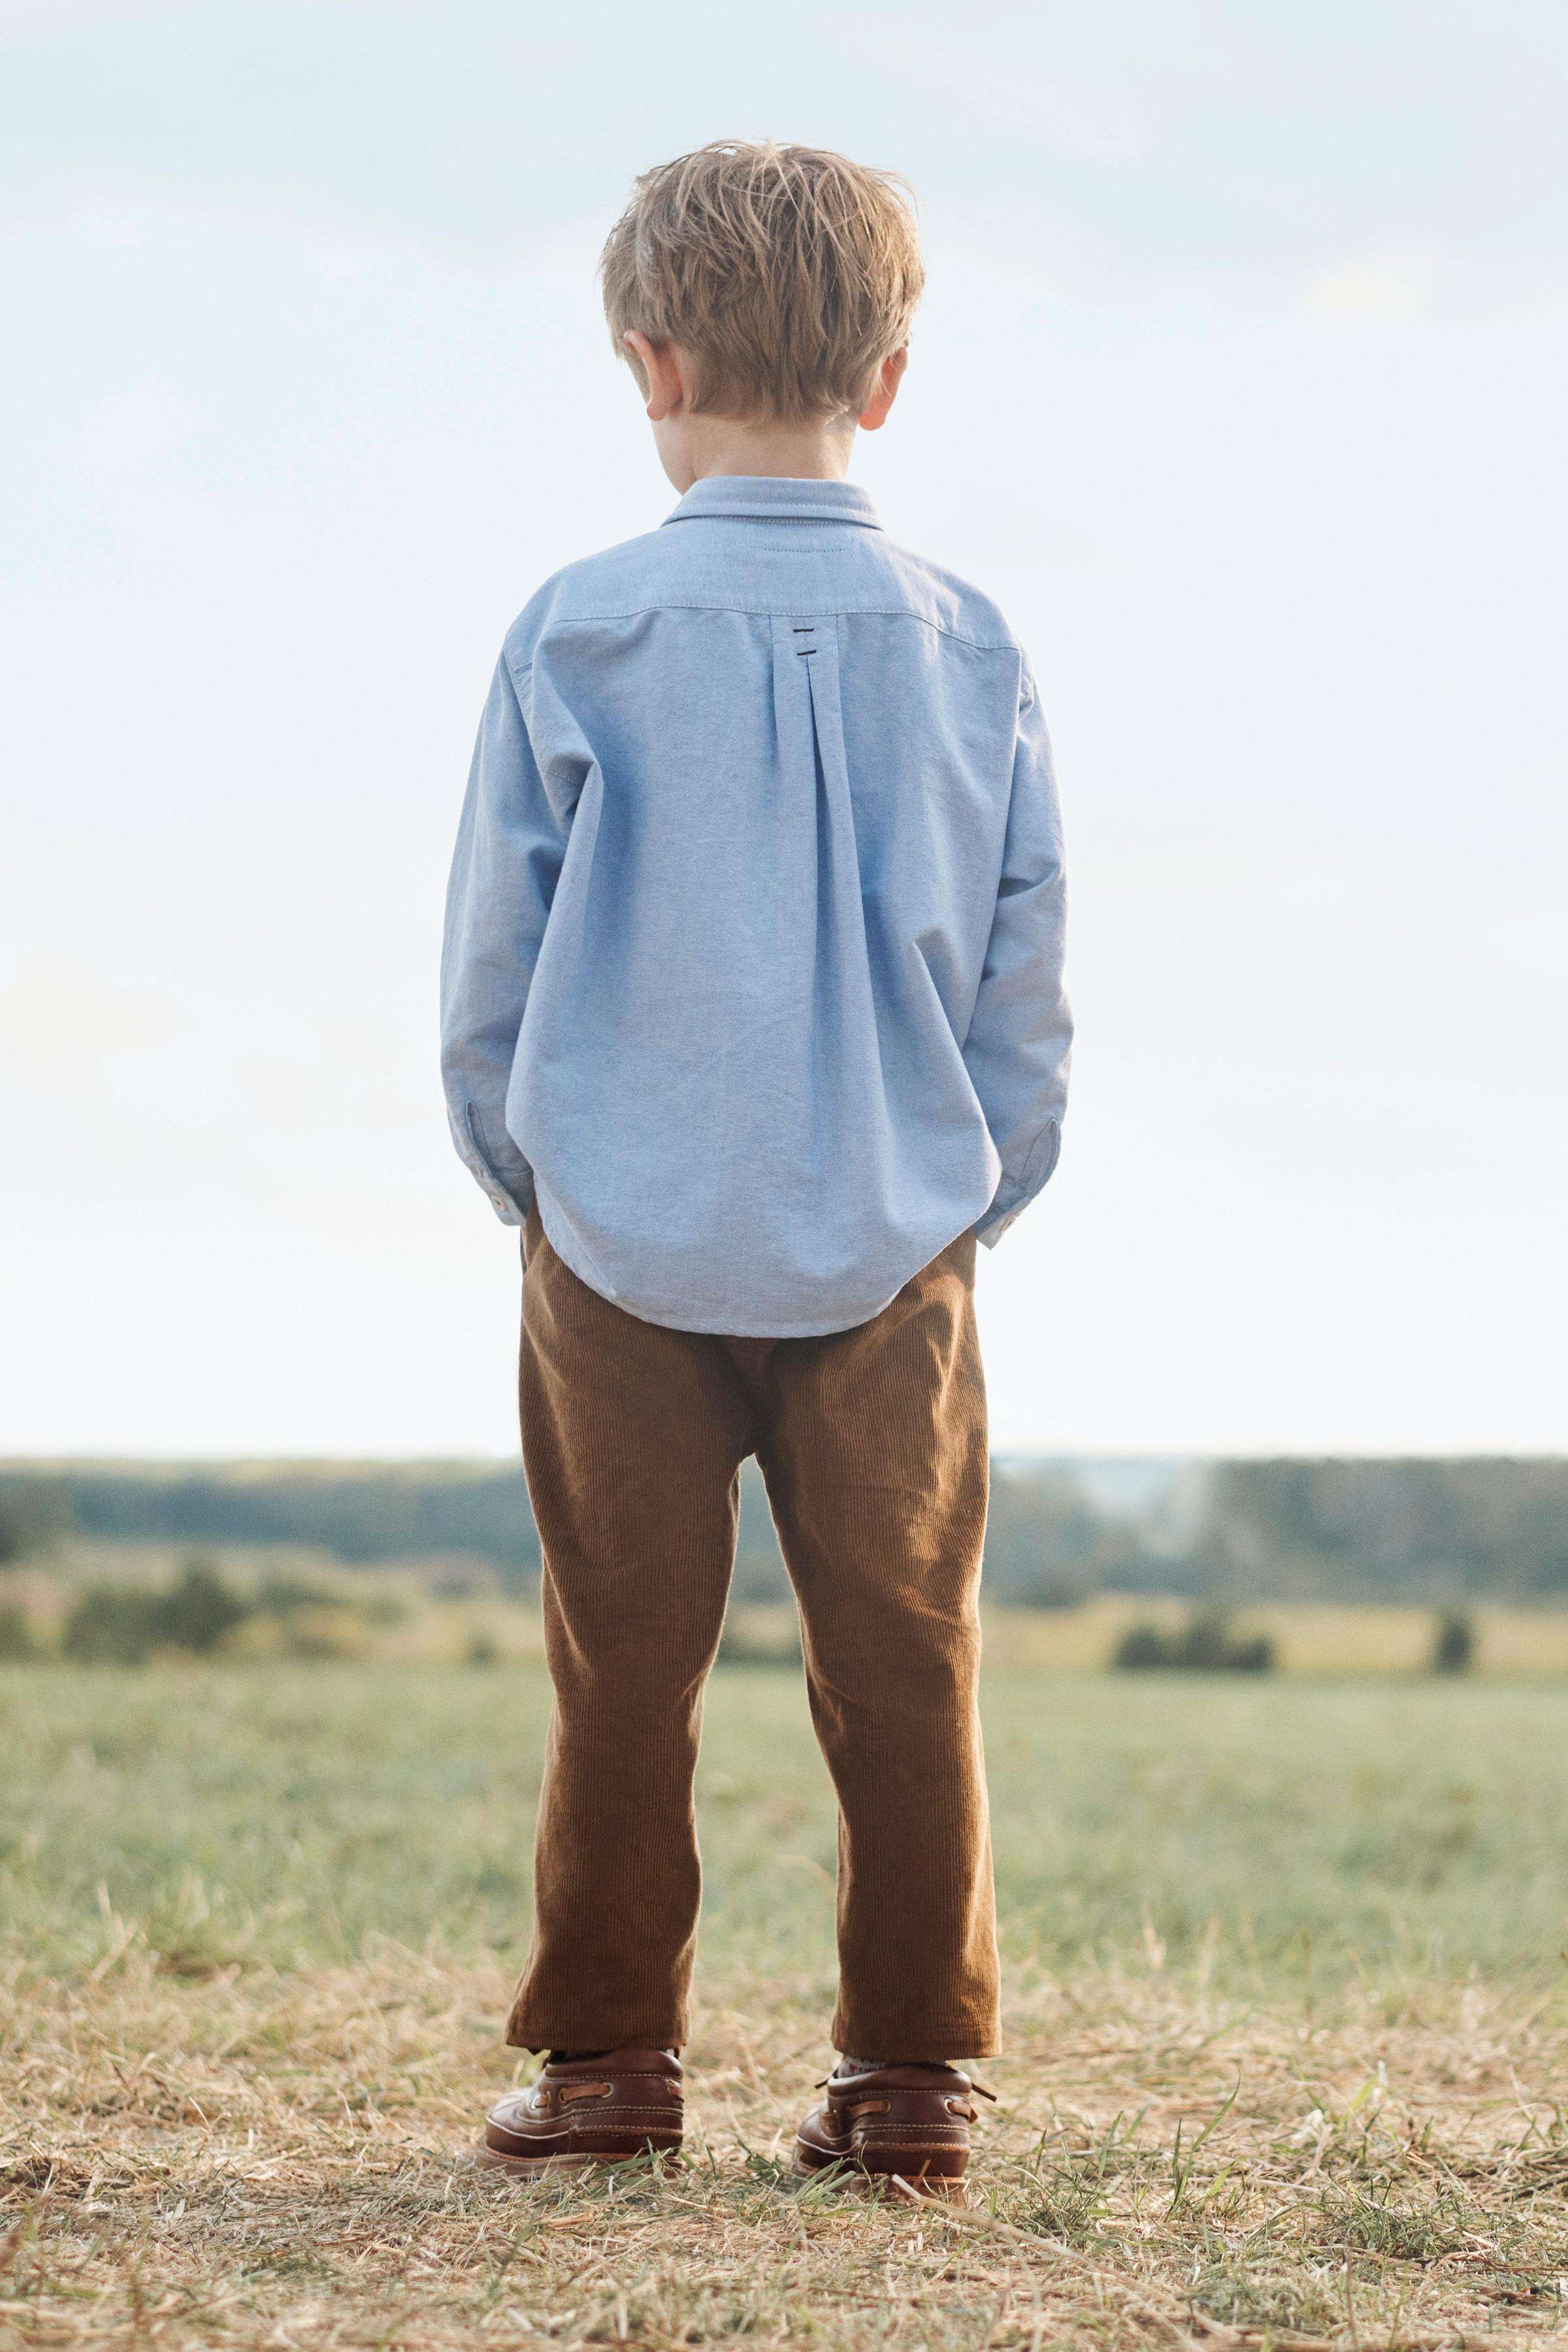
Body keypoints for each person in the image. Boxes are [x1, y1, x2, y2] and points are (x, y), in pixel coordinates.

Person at [440, 140, 1071, 2186]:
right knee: (907, 1660)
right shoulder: (972, 642)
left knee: (621, 1667)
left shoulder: (576, 627)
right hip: (896, 1242)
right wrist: (971, 1196)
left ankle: (607, 2069)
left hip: (616, 1241)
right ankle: (909, 2083)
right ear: (888, 378)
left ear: (652, 361)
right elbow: (1024, 978)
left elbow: (493, 968)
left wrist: (534, 1184)